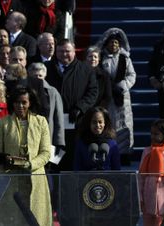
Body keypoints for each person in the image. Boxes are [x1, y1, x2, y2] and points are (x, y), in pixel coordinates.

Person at [0, 86, 52, 226]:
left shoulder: (41, 121)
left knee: (36, 220)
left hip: (36, 180)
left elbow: (46, 153)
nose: (20, 106)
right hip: (10, 181)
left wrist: (30, 164)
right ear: (12, 103)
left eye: (24, 102)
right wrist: (8, 161)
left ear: (30, 103)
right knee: (11, 219)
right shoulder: (3, 123)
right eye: (17, 102)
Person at [45, 38, 98, 170]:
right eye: (61, 51)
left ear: (74, 51)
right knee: (54, 160)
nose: (64, 54)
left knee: (74, 158)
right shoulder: (47, 68)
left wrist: (80, 107)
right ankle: (55, 184)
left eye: (67, 51)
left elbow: (92, 92)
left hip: (77, 123)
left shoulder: (86, 70)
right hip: (52, 124)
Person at [96, 27, 136, 158]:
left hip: (122, 96)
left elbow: (131, 75)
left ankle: (124, 153)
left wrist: (122, 85)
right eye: (111, 42)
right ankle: (108, 152)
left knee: (124, 124)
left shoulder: (125, 59)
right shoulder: (101, 58)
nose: (113, 45)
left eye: (116, 43)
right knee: (108, 123)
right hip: (106, 96)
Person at [74, 106, 120, 171]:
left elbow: (117, 170)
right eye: (94, 122)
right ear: (88, 123)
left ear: (105, 123)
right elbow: (76, 169)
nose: (97, 125)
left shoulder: (112, 144)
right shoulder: (81, 143)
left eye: (100, 122)